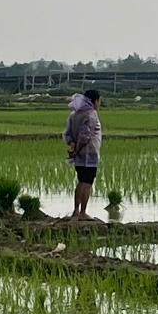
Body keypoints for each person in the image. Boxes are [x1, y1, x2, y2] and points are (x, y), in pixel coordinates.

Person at [62, 88, 103, 220]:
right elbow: (84, 136)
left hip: (79, 155)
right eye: (98, 101)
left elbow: (67, 133)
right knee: (87, 183)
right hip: (88, 154)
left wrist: (73, 147)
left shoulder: (74, 115)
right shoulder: (91, 114)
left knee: (81, 181)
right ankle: (83, 213)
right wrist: (77, 150)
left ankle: (76, 211)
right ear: (95, 101)